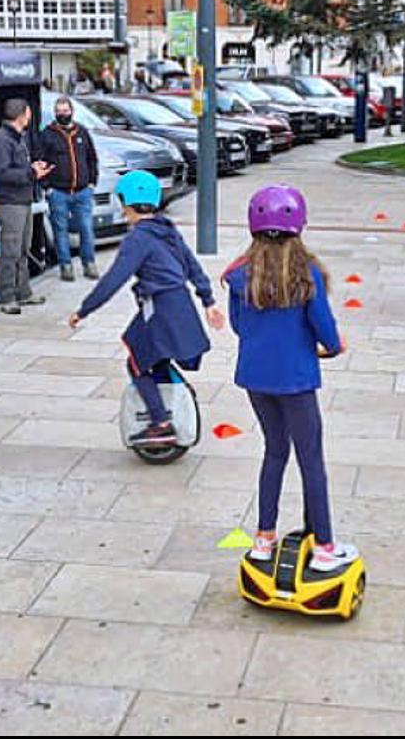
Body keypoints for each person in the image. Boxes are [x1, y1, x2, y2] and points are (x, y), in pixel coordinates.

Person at [222, 185, 358, 573]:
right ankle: (326, 546)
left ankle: (264, 539)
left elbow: (238, 326)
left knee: (275, 451)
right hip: (296, 381)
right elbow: (326, 333)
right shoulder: (307, 274)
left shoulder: (238, 276)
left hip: (255, 379)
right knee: (311, 459)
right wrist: (332, 347)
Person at [68, 171, 224, 446]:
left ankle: (161, 423)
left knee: (136, 360)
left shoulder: (137, 238)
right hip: (180, 302)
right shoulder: (167, 230)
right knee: (156, 358)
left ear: (127, 203)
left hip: (161, 307)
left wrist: (84, 310)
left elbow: (114, 278)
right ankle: (166, 409)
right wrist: (208, 300)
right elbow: (192, 266)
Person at [0, 98, 52, 315]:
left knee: (23, 249)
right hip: (10, 202)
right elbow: (3, 173)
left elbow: (16, 168)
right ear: (22, 115)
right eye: (28, 112)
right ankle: (7, 296)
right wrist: (31, 173)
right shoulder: (1, 140)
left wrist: (32, 168)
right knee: (11, 250)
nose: (30, 116)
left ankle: (23, 291)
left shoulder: (17, 138)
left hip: (23, 200)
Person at [38, 97, 100, 282]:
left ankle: (89, 263)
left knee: (86, 228)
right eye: (59, 111)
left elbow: (92, 158)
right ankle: (66, 266)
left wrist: (92, 182)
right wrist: (46, 187)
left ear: (72, 111)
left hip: (82, 191)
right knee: (60, 230)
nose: (62, 114)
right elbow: (39, 161)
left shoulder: (82, 132)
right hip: (58, 192)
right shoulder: (47, 134)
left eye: (65, 110)